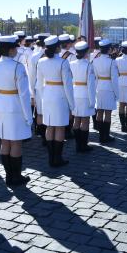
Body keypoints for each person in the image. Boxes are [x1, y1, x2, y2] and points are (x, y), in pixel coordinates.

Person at [0, 35, 32, 186]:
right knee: (16, 143)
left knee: (5, 142)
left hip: (0, 104)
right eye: (16, 47)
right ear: (11, 49)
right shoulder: (18, 67)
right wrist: (29, 117)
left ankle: (9, 176)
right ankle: (16, 176)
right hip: (15, 107)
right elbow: (24, 95)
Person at [37, 35, 75, 167]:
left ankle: (51, 158)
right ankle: (57, 158)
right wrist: (72, 104)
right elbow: (68, 86)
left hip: (47, 95)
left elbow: (39, 84)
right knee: (59, 127)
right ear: (57, 47)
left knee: (49, 126)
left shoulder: (41, 61)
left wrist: (43, 97)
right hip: (60, 96)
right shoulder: (63, 62)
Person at [92, 39, 119, 143]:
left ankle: (101, 135)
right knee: (107, 113)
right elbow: (114, 79)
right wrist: (117, 94)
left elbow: (94, 77)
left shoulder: (95, 60)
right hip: (109, 88)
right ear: (109, 49)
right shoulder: (112, 62)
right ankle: (106, 136)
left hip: (99, 88)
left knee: (99, 112)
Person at [70, 41, 95, 152]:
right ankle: (83, 145)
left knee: (76, 119)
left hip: (75, 93)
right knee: (85, 120)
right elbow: (90, 85)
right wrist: (92, 100)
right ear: (85, 52)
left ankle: (77, 144)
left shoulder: (71, 64)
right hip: (85, 94)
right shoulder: (88, 65)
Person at [29, 33, 50, 144]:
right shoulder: (52, 56)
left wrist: (33, 90)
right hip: (51, 86)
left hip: (38, 86)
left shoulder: (34, 56)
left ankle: (43, 136)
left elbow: (32, 75)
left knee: (40, 112)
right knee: (49, 112)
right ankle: (49, 135)